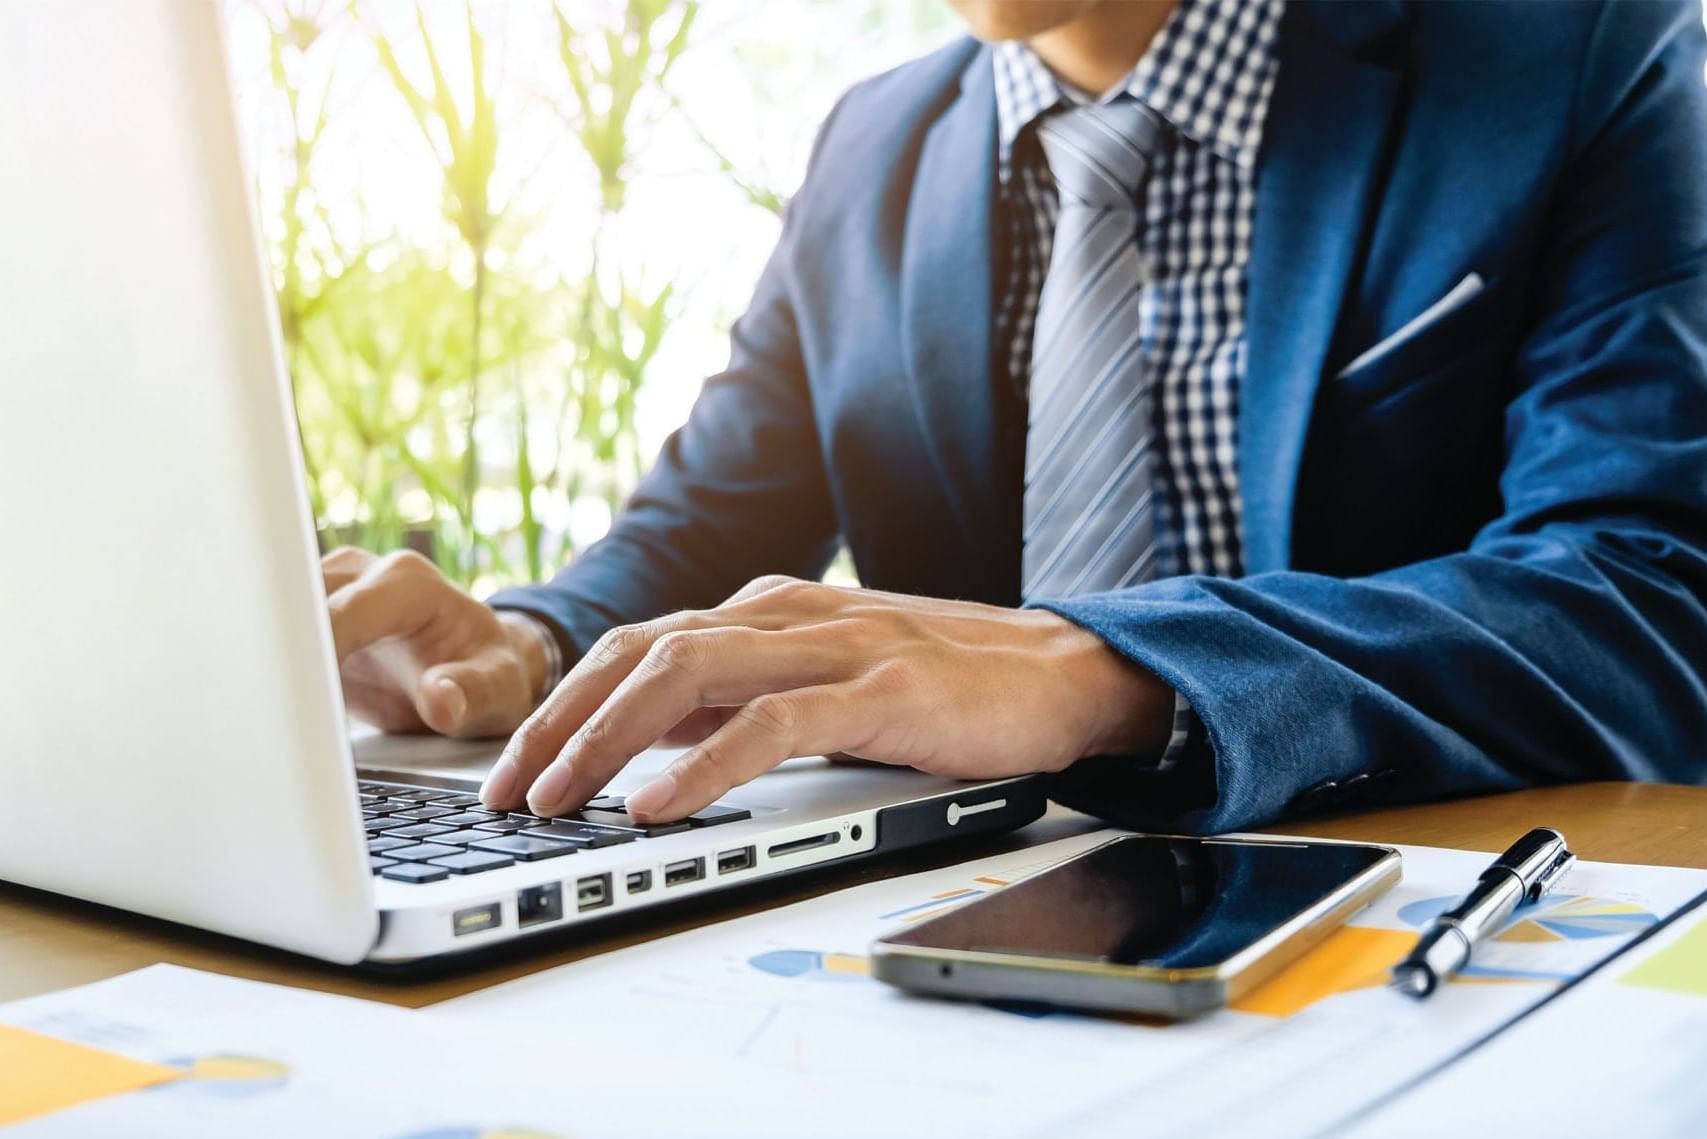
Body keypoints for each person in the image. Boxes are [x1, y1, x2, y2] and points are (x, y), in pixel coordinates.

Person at [322, 0, 1707, 835]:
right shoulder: (871, 142)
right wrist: (529, 641)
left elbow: (1642, 600)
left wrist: (1103, 671)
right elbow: (712, 517)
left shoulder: (1583, 51)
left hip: (1424, 898)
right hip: (975, 909)